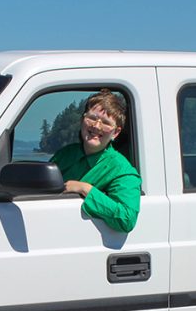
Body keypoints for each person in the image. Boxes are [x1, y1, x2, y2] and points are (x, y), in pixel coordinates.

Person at [50, 90, 141, 233]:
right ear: (82, 120)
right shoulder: (64, 155)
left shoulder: (122, 171)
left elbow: (127, 219)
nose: (96, 126)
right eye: (92, 118)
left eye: (105, 123)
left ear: (115, 133)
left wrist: (86, 189)